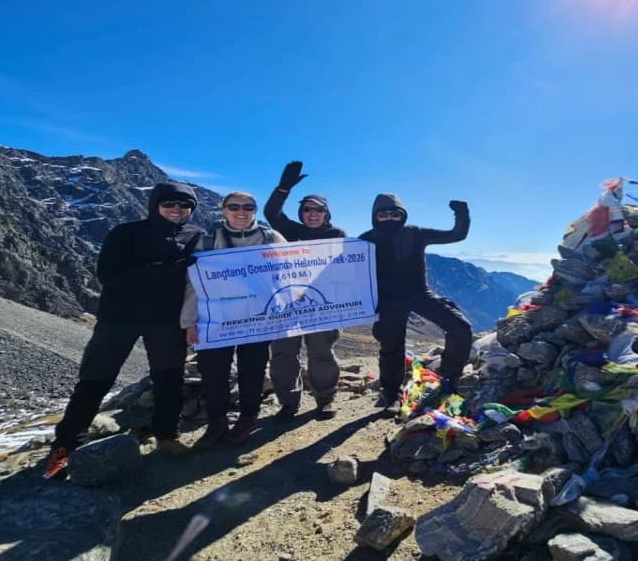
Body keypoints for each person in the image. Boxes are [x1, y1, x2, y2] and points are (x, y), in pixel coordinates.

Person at [44, 182, 203, 479]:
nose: (177, 210)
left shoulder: (196, 236)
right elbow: (108, 274)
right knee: (95, 380)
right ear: (155, 204)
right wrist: (167, 268)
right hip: (119, 319)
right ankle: (65, 446)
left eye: (185, 206)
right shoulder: (125, 233)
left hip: (167, 321)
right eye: (170, 204)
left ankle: (167, 435)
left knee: (169, 379)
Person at [182, 191, 287, 448]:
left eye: (248, 207)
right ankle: (216, 423)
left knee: (252, 370)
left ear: (255, 210)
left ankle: (248, 419)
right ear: (223, 209)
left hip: (258, 320)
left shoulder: (271, 238)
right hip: (216, 320)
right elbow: (193, 284)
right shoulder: (207, 240)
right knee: (213, 372)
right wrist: (189, 321)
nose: (241, 211)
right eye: (234, 206)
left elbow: (290, 273)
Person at [360, 194, 471, 414]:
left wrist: (461, 213)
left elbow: (456, 235)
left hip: (420, 294)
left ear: (402, 215)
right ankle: (390, 395)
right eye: (383, 214)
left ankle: (449, 376)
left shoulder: (416, 233)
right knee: (391, 349)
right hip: (387, 301)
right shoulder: (365, 240)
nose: (389, 218)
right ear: (375, 217)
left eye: (395, 214)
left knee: (461, 328)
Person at [263, 161, 348, 420]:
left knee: (321, 352)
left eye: (318, 210)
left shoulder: (336, 233)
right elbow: (272, 213)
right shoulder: (291, 231)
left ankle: (325, 400)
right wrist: (283, 188)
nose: (312, 214)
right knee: (283, 353)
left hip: (322, 304)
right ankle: (288, 402)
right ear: (301, 213)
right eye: (307, 209)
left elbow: (349, 268)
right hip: (288, 303)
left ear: (326, 214)